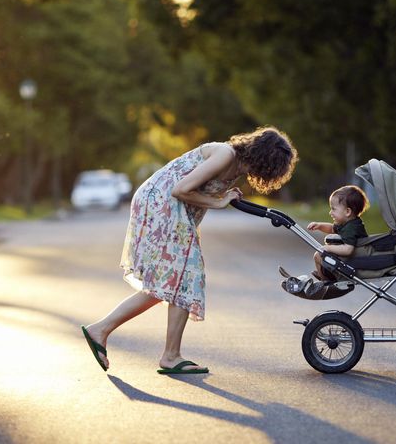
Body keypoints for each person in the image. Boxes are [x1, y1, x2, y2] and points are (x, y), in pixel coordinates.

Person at [81, 126, 298, 374]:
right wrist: (218, 202)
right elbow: (181, 190)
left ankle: (105, 331)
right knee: (185, 277)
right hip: (161, 203)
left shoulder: (237, 166)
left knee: (172, 282)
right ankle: (168, 355)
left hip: (171, 208)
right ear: (263, 159)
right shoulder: (225, 155)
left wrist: (223, 195)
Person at [280, 185, 368, 299]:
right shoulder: (347, 223)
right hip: (347, 261)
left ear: (347, 211)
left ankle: (325, 281)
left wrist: (327, 248)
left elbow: (348, 249)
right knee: (319, 255)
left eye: (334, 209)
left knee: (318, 255)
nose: (330, 212)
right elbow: (332, 228)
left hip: (352, 262)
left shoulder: (352, 228)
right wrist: (320, 225)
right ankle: (323, 275)